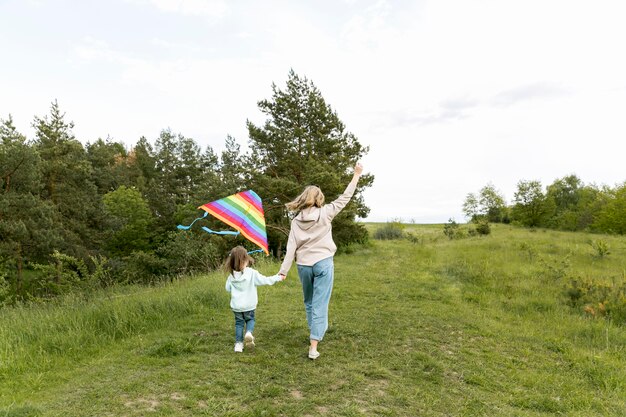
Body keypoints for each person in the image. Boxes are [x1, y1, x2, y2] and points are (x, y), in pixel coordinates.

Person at [279, 162, 364, 359]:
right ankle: (314, 345)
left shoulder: (295, 220)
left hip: (303, 266)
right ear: (319, 199)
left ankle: (315, 332)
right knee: (319, 303)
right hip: (323, 262)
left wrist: (283, 270)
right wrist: (357, 175)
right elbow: (345, 197)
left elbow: (291, 246)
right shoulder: (326, 212)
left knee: (309, 302)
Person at [224, 246, 284, 353]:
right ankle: (249, 333)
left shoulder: (231, 276)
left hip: (237, 307)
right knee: (250, 319)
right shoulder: (251, 273)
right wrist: (278, 277)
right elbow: (265, 280)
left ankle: (238, 345)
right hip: (249, 305)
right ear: (245, 260)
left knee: (239, 323)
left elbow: (227, 289)